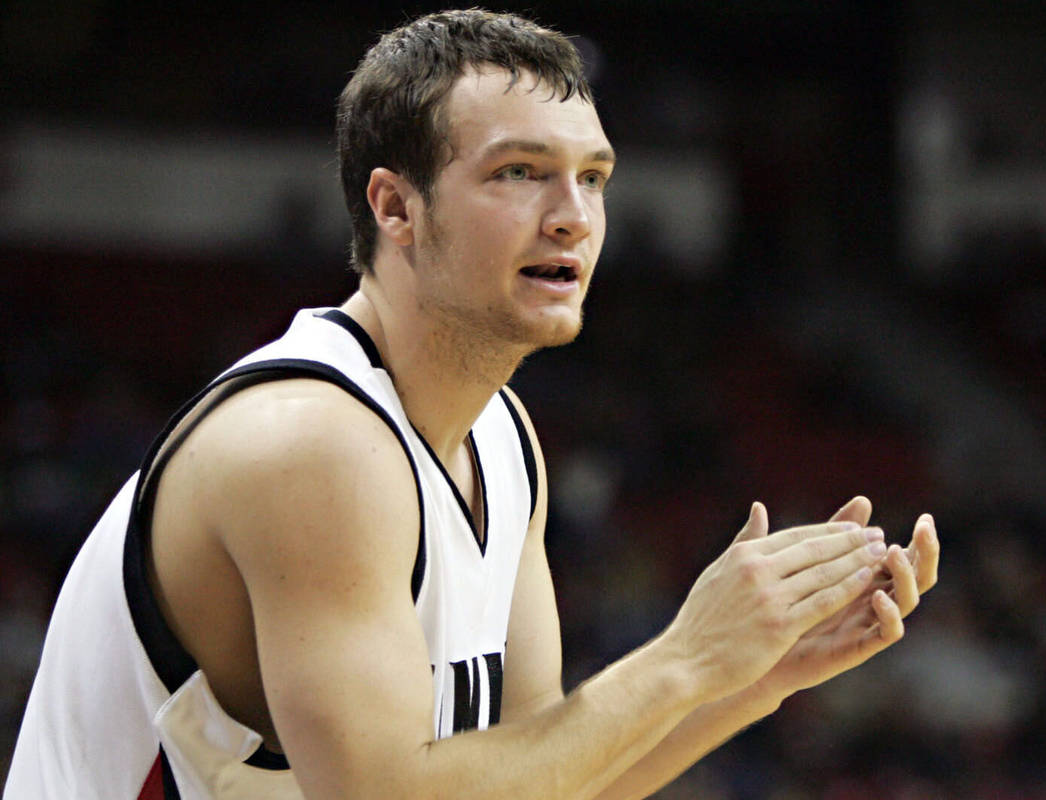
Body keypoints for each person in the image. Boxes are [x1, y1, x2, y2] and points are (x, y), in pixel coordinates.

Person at [6, 9, 939, 799]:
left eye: (594, 176)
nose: (572, 213)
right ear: (396, 208)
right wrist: (685, 659)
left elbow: (545, 776)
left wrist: (755, 675)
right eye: (519, 172)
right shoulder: (310, 441)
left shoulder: (500, 437)